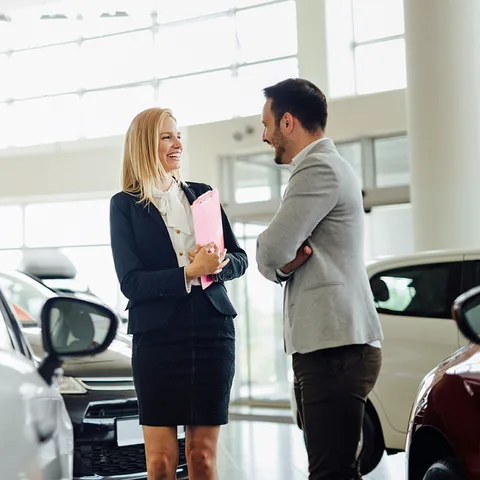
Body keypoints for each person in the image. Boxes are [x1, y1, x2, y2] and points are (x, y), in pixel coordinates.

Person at [255, 78, 383, 480]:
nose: (264, 136)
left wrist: (277, 261)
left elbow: (270, 249)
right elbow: (283, 258)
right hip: (333, 346)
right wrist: (285, 266)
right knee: (335, 468)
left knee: (331, 472)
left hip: (335, 348)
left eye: (266, 124)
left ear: (287, 122)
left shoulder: (317, 168)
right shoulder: (327, 165)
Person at [109, 107, 248, 480]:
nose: (177, 144)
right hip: (157, 338)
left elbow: (240, 258)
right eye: (166, 136)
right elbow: (131, 281)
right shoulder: (125, 205)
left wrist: (217, 265)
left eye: (178, 135)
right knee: (160, 461)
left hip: (212, 332)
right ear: (144, 145)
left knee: (201, 456)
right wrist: (188, 272)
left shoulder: (203, 197)